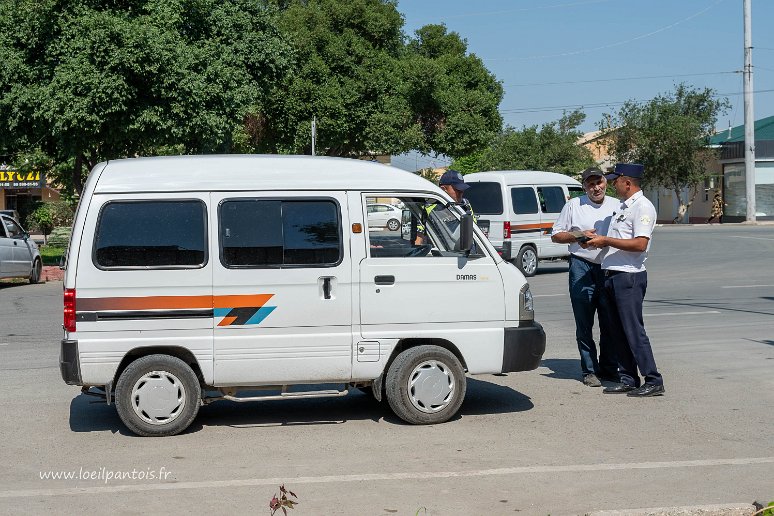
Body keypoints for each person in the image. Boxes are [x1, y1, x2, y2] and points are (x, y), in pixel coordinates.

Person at [584, 163, 665, 397]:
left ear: (627, 182)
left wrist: (606, 241)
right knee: (616, 331)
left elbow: (640, 244)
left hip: (628, 276)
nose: (613, 183)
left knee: (633, 330)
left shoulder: (643, 207)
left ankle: (653, 379)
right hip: (612, 274)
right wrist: (597, 239)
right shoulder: (623, 207)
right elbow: (618, 239)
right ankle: (629, 377)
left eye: (615, 180)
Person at [551, 167, 619, 387]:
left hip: (609, 267)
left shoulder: (617, 206)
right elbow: (556, 235)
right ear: (584, 187)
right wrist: (577, 235)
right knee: (584, 322)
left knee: (610, 322)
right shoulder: (573, 205)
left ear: (605, 183)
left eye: (598, 182)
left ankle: (609, 368)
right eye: (590, 184)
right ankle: (589, 370)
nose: (595, 188)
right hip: (581, 267)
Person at [415, 170, 476, 245]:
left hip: (466, 253)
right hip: (441, 255)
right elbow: (419, 238)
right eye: (458, 190)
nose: (461, 192)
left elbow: (474, 232)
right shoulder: (428, 208)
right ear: (443, 189)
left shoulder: (466, 205)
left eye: (462, 189)